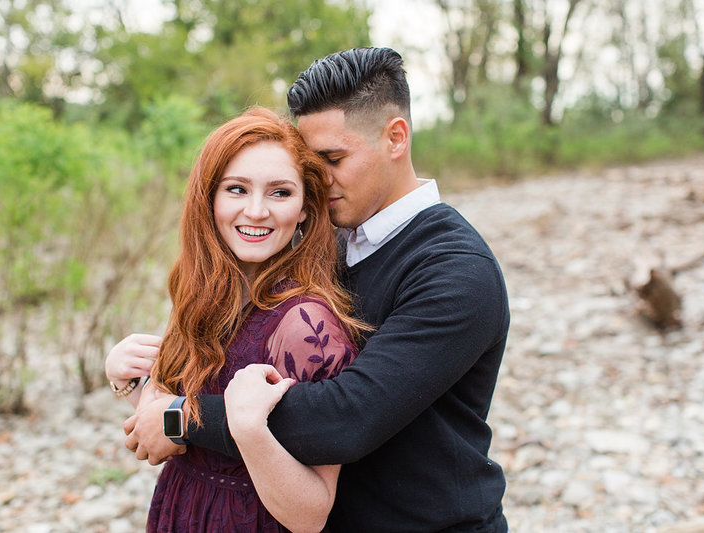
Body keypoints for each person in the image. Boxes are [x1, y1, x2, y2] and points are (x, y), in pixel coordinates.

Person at [123, 47, 511, 531]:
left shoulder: (456, 271)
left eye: (333, 158)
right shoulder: (324, 242)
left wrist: (182, 420)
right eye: (311, 162)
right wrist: (144, 376)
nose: (318, 180)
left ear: (396, 138)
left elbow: (346, 417)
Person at [106, 106, 366, 532]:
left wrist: (247, 428)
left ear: (304, 207)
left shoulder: (305, 326)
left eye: (280, 193)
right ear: (209, 197)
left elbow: (312, 513)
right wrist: (131, 381)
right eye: (237, 189)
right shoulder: (208, 296)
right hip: (185, 510)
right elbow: (165, 436)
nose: (257, 211)